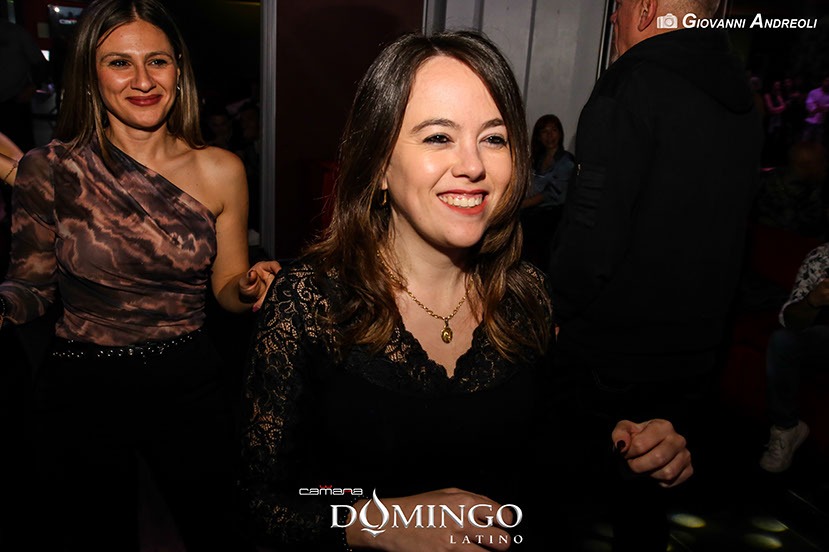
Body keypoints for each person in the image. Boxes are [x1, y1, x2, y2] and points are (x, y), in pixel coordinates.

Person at [238, 29, 692, 552]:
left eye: (494, 138)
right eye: (438, 137)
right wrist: (372, 521)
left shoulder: (527, 296)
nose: (474, 166)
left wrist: (629, 448)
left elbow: (554, 461)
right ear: (378, 164)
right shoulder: (306, 302)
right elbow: (260, 506)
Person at [0, 0, 280, 549]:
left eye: (157, 61)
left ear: (179, 70)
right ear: (90, 75)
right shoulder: (49, 170)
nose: (143, 80)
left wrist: (248, 286)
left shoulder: (220, 169)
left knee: (220, 531)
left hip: (188, 378)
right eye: (119, 63)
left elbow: (227, 288)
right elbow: (30, 286)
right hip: (81, 386)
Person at [548, 0, 762, 550]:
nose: (613, 19)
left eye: (618, 7)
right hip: (695, 357)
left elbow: (592, 232)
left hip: (610, 356)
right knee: (645, 505)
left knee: (559, 498)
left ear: (644, 9)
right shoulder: (743, 100)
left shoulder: (631, 86)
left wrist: (554, 309)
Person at [759, 242, 829, 473]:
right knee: (783, 340)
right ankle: (786, 428)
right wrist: (812, 301)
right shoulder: (822, 257)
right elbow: (790, 320)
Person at [519, 113, 575, 272]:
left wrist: (521, 205)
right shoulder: (537, 159)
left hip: (550, 219)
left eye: (554, 130)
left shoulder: (566, 161)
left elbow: (552, 194)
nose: (550, 136)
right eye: (545, 131)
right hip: (532, 215)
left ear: (560, 133)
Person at [0, 18, 50, 153]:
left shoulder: (14, 33)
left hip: (14, 101)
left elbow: (41, 64)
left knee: (20, 147)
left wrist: (33, 86)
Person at [802, 76, 829, 145]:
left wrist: (818, 106)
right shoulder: (813, 92)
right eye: (826, 80)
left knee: (818, 144)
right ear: (823, 81)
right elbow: (810, 107)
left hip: (822, 123)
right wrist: (822, 108)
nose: (828, 83)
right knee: (805, 143)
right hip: (810, 121)